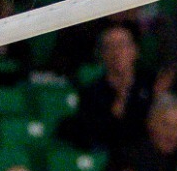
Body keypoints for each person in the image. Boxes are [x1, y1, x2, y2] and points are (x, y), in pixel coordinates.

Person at [64, 23, 157, 155]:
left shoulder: (150, 83)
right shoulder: (92, 93)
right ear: (102, 54)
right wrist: (116, 107)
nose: (117, 52)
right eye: (110, 47)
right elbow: (92, 135)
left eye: (122, 45)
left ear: (135, 50)